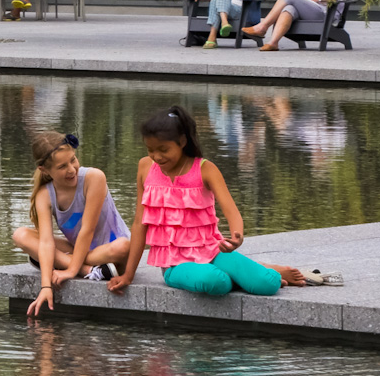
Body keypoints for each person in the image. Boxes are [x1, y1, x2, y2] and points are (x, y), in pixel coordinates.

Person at [109, 106, 293, 297]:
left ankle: (266, 272)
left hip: (213, 253)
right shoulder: (145, 167)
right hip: (176, 264)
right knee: (215, 281)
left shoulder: (206, 169)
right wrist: (128, 274)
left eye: (163, 150)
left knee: (268, 284)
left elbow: (231, 210)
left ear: (182, 141)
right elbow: (140, 223)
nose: (156, 156)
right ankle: (249, 272)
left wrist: (237, 236)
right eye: (150, 150)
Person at [15, 131, 131, 315]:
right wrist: (46, 286)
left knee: (124, 246)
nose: (71, 169)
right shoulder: (44, 195)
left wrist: (69, 271)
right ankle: (89, 270)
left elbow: (87, 229)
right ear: (44, 170)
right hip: (82, 252)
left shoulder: (94, 178)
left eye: (73, 159)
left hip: (109, 251)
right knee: (21, 235)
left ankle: (59, 261)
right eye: (62, 166)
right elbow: (45, 241)